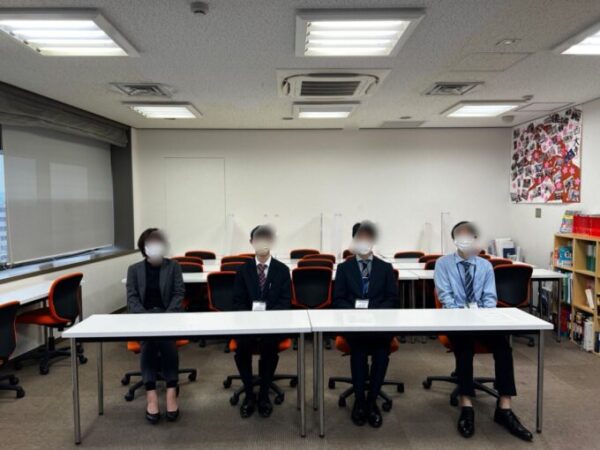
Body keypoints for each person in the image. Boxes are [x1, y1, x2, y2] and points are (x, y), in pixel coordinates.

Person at [433, 221, 533, 441]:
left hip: (483, 320)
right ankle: (466, 405)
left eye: (469, 234)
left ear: (475, 238)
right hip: (456, 320)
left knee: (504, 348)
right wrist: (465, 317)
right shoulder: (443, 264)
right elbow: (446, 297)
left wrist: (483, 318)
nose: (464, 238)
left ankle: (504, 408)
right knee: (464, 347)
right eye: (460, 235)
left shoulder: (485, 266)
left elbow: (490, 298)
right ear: (454, 240)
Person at [333, 221, 398, 428]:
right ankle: (359, 401)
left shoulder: (385, 268)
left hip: (379, 326)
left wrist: (374, 313)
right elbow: (338, 300)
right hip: (354, 326)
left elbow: (392, 299)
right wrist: (356, 313)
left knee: (381, 352)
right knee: (359, 352)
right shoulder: (344, 268)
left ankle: (372, 402)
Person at [232, 225, 291, 418]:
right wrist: (251, 320)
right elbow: (237, 302)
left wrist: (267, 320)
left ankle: (264, 394)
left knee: (269, 344)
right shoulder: (243, 270)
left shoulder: (282, 270)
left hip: (272, 325)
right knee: (242, 345)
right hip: (247, 324)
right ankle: (249, 395)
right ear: (251, 242)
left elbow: (285, 303)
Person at [126, 228, 185, 424]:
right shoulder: (134, 270)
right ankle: (151, 394)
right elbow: (132, 298)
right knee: (149, 340)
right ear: (143, 247)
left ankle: (171, 391)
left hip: (168, 315)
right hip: (144, 317)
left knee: (166, 340)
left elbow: (179, 294)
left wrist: (167, 317)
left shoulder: (173, 266)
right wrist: (146, 319)